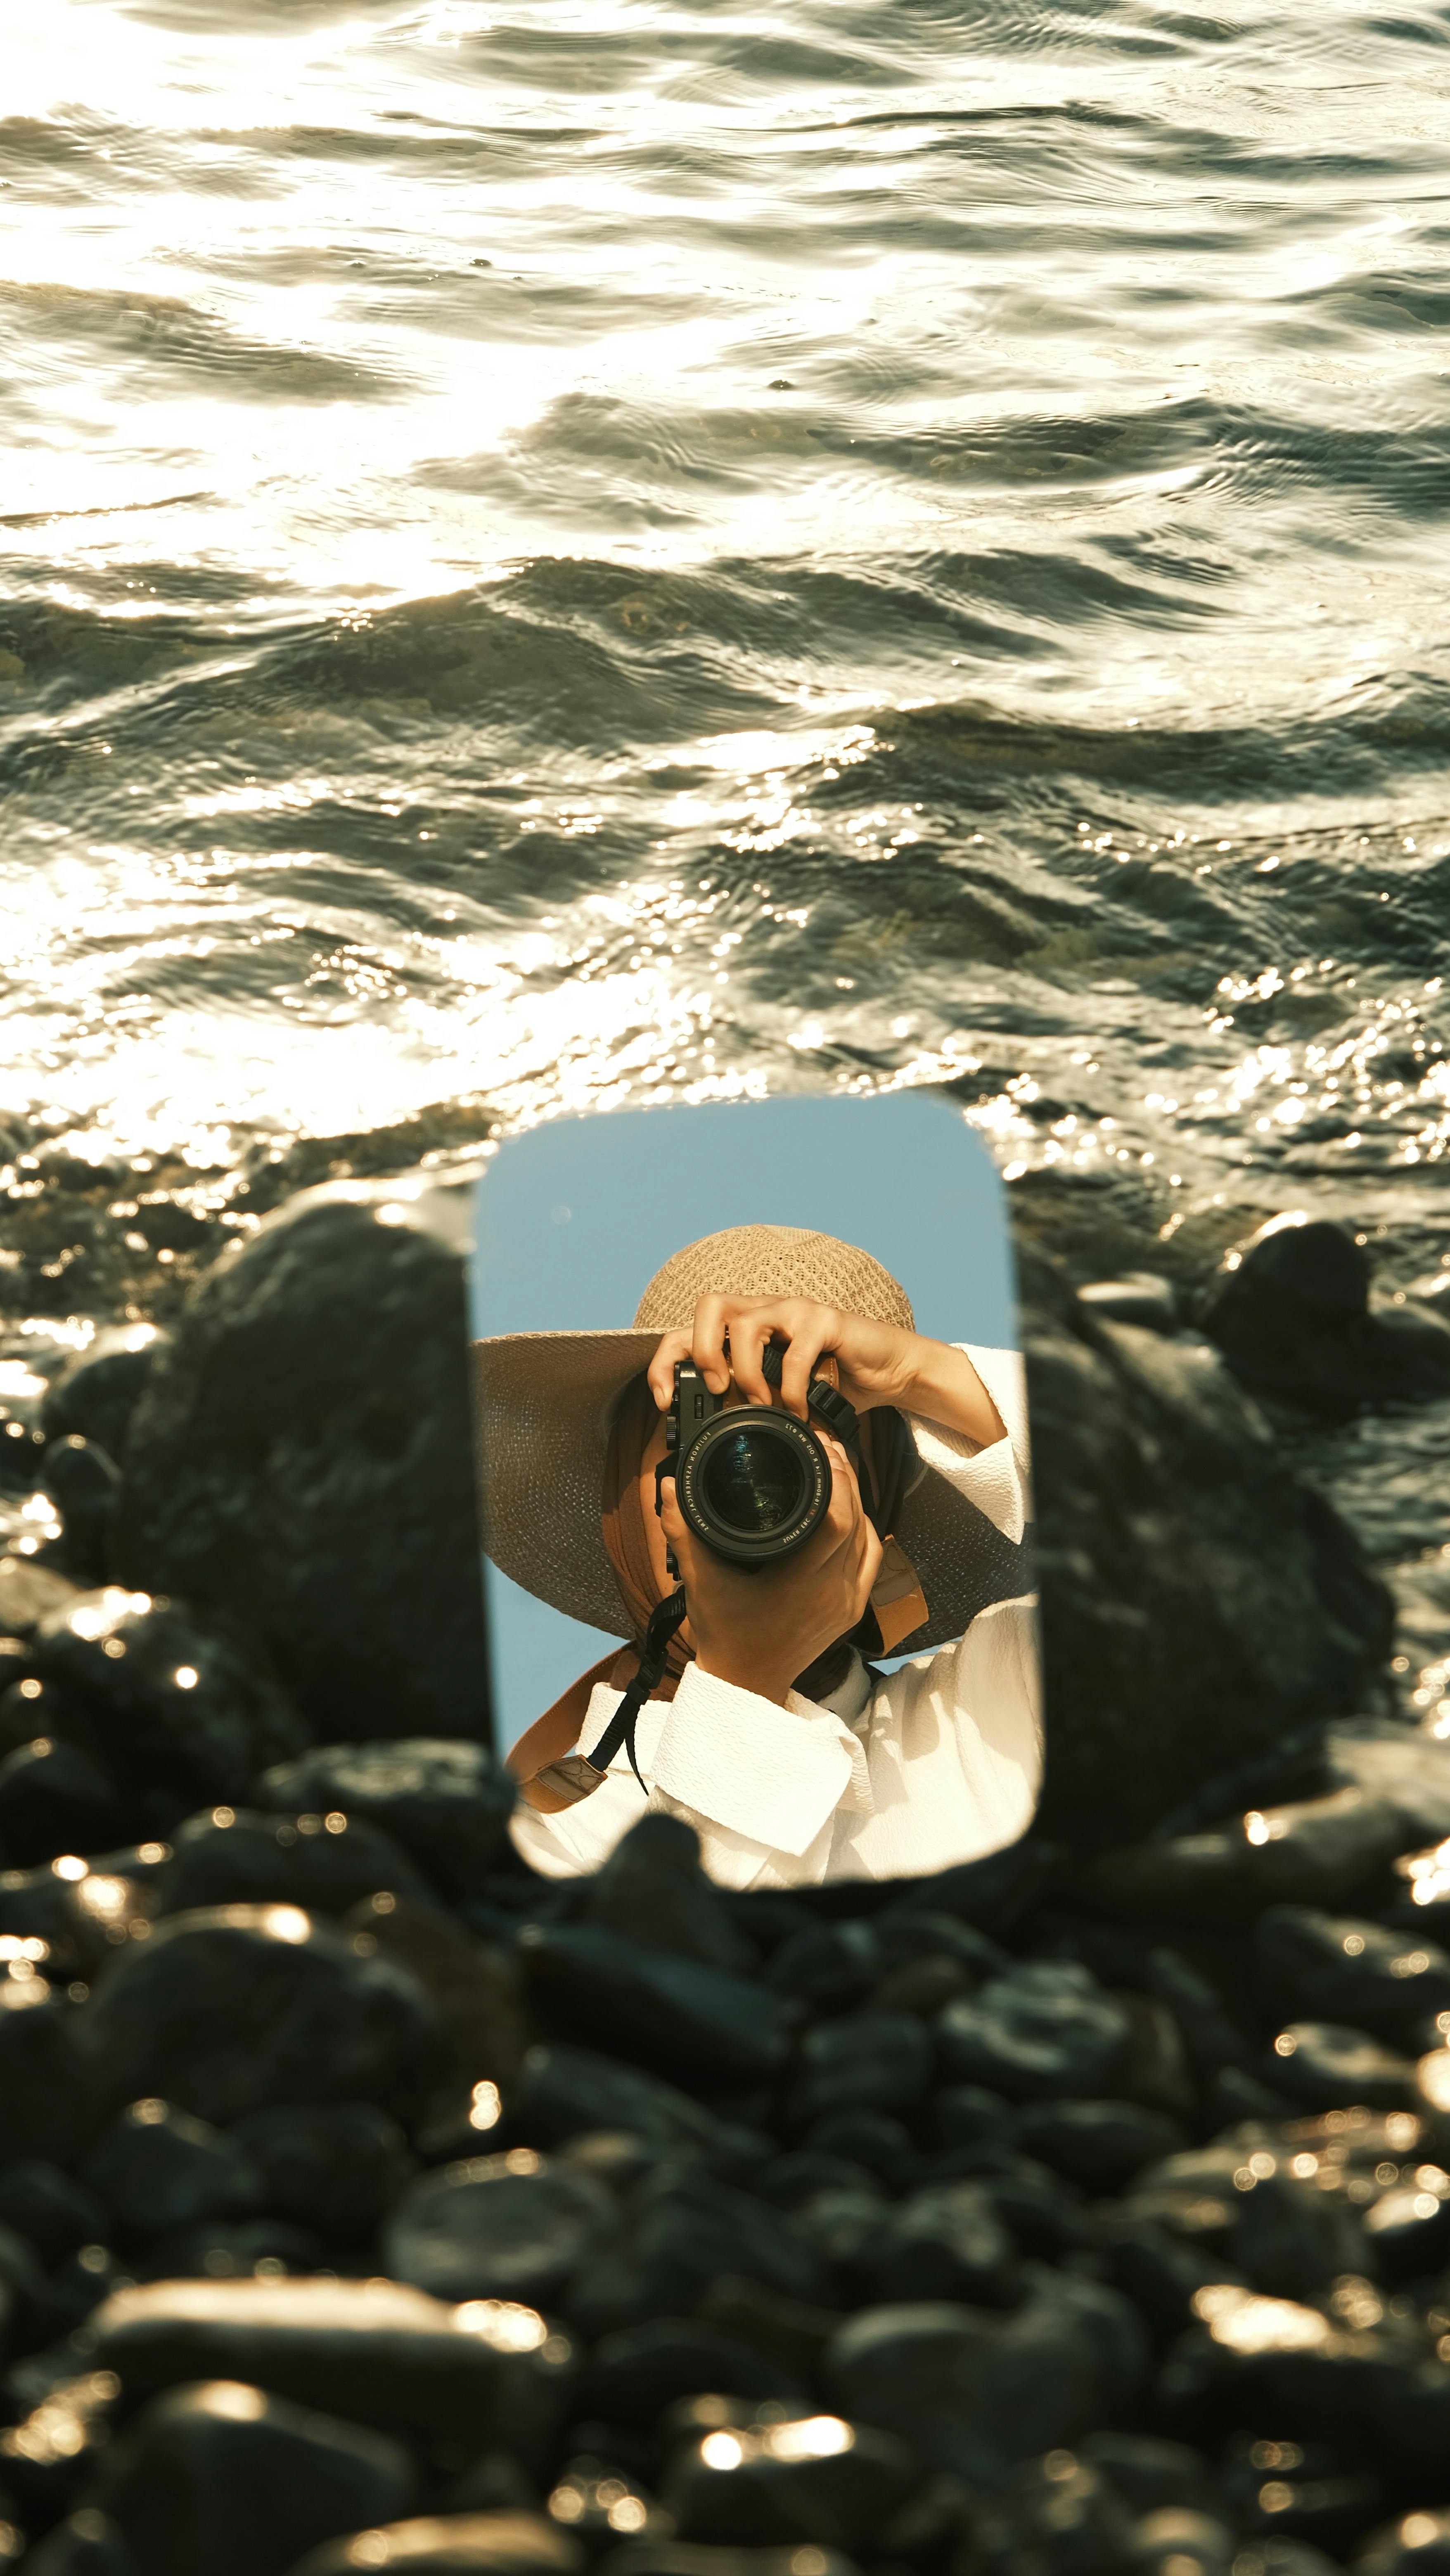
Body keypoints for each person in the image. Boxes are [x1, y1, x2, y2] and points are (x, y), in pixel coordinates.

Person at [471, 1223, 1040, 1889]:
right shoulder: (530, 1845)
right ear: (624, 1494)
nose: (752, 1484)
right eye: (705, 1442)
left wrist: (925, 1375)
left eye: (794, 1449)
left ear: (876, 1498)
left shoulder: (1007, 1696)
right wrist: (746, 1686)